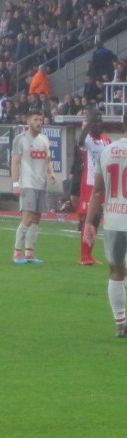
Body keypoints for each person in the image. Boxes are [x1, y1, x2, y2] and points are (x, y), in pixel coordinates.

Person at [83, 112, 127, 337]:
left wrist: (89, 222)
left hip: (113, 220)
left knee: (116, 270)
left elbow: (97, 190)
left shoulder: (107, 151)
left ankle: (121, 323)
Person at [11, 110, 56, 264]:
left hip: (41, 184)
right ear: (28, 121)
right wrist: (16, 184)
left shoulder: (44, 140)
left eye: (41, 120)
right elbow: (15, 162)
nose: (39, 122)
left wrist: (51, 172)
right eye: (36, 119)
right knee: (27, 218)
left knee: (36, 219)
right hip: (27, 184)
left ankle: (29, 253)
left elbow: (48, 159)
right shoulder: (20, 139)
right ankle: (17, 253)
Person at [77, 109, 111, 265]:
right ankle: (84, 256)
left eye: (99, 121)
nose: (97, 124)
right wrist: (87, 124)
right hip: (90, 184)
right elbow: (80, 141)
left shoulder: (107, 141)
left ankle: (89, 255)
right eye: (94, 122)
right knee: (87, 218)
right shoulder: (87, 139)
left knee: (96, 219)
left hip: (103, 185)